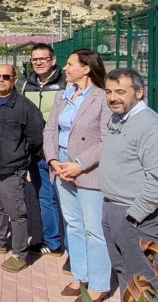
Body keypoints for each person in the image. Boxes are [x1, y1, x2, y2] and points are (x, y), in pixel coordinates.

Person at [43, 49, 113, 301]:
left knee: (93, 229)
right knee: (73, 224)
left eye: (70, 64)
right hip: (61, 166)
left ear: (86, 68)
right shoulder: (64, 95)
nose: (65, 68)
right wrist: (53, 160)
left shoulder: (102, 97)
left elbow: (107, 140)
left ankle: (99, 283)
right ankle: (79, 275)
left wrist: (79, 164)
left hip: (87, 171)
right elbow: (50, 129)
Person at [100, 68, 158, 295]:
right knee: (123, 270)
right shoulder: (120, 117)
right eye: (109, 92)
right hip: (113, 208)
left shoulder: (151, 126)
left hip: (134, 215)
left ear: (139, 92)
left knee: (143, 278)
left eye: (120, 91)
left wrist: (133, 216)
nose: (113, 98)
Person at [0, 64, 45, 273]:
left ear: (14, 79)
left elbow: (35, 138)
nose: (1, 79)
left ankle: (20, 253)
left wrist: (18, 156)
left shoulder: (24, 107)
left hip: (10, 170)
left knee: (17, 213)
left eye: (6, 76)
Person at [21, 43, 66, 258]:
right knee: (44, 197)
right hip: (34, 151)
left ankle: (62, 242)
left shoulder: (65, 84)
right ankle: (53, 241)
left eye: (43, 58)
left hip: (59, 152)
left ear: (53, 60)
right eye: (34, 59)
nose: (38, 62)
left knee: (64, 198)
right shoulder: (26, 85)